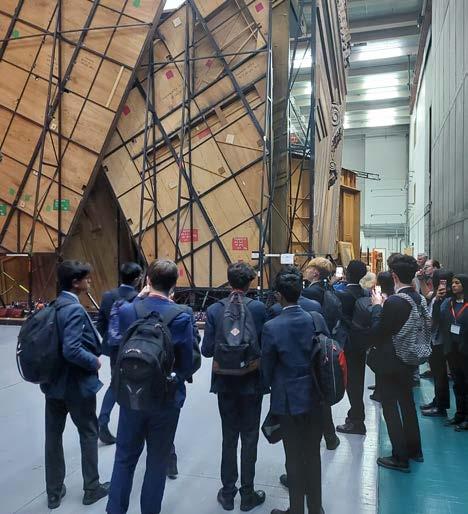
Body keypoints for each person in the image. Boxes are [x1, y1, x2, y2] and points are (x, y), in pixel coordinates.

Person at [106, 260, 195, 514]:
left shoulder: (128, 310)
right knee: (157, 462)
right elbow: (187, 364)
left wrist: (139, 298)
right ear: (174, 285)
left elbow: (118, 344)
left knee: (124, 458)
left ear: (147, 280)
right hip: (165, 399)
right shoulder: (181, 316)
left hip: (131, 395)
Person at [42, 261, 109, 509]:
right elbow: (71, 349)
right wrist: (94, 361)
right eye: (86, 278)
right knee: (89, 432)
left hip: (53, 383)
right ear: (75, 282)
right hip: (76, 385)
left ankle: (54, 491)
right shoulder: (73, 309)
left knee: (53, 436)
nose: (89, 282)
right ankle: (92, 487)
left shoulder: (53, 305)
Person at [202, 262, 267, 512]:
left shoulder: (214, 309)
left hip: (225, 383)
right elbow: (264, 346)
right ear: (250, 283)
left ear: (229, 281)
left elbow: (207, 350)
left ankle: (227, 493)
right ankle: (247, 494)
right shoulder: (259, 309)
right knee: (250, 437)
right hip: (252, 381)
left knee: (229, 437)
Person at [262, 267, 325, 514]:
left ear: (279, 295)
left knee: (294, 456)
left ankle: (296, 509)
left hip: (288, 400)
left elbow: (267, 369)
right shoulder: (315, 319)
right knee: (313, 455)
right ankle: (316, 508)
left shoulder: (272, 327)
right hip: (316, 395)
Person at [369, 254, 423, 472]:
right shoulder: (418, 298)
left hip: (390, 360)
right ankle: (415, 450)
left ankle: (400, 457)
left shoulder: (393, 302)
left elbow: (379, 332)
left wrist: (377, 307)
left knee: (390, 407)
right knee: (408, 405)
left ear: (394, 276)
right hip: (409, 358)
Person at [96, 262, 143, 445]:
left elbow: (101, 324)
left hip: (115, 350)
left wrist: (111, 341)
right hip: (135, 350)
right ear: (137, 279)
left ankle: (103, 420)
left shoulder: (108, 296)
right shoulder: (139, 299)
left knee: (115, 384)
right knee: (137, 385)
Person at [336, 260, 369, 435]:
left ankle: (357, 420)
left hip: (347, 342)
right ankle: (355, 415)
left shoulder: (342, 294)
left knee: (351, 383)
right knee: (358, 381)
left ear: (347, 273)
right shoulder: (365, 292)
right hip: (362, 341)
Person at [420, 270, 453, 417]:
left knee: (440, 375)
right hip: (434, 340)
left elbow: (436, 320)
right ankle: (437, 400)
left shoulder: (447, 299)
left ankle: (441, 407)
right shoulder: (435, 297)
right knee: (437, 374)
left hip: (440, 341)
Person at [439, 274, 468, 431]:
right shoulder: (449, 302)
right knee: (458, 384)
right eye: (453, 283)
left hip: (465, 350)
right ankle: (460, 414)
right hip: (453, 349)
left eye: (458, 283)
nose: (454, 285)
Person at [368, 271, 395, 402]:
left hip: (380, 332)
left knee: (379, 361)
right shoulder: (394, 296)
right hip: (389, 335)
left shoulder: (381, 298)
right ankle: (379, 387)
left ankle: (380, 390)